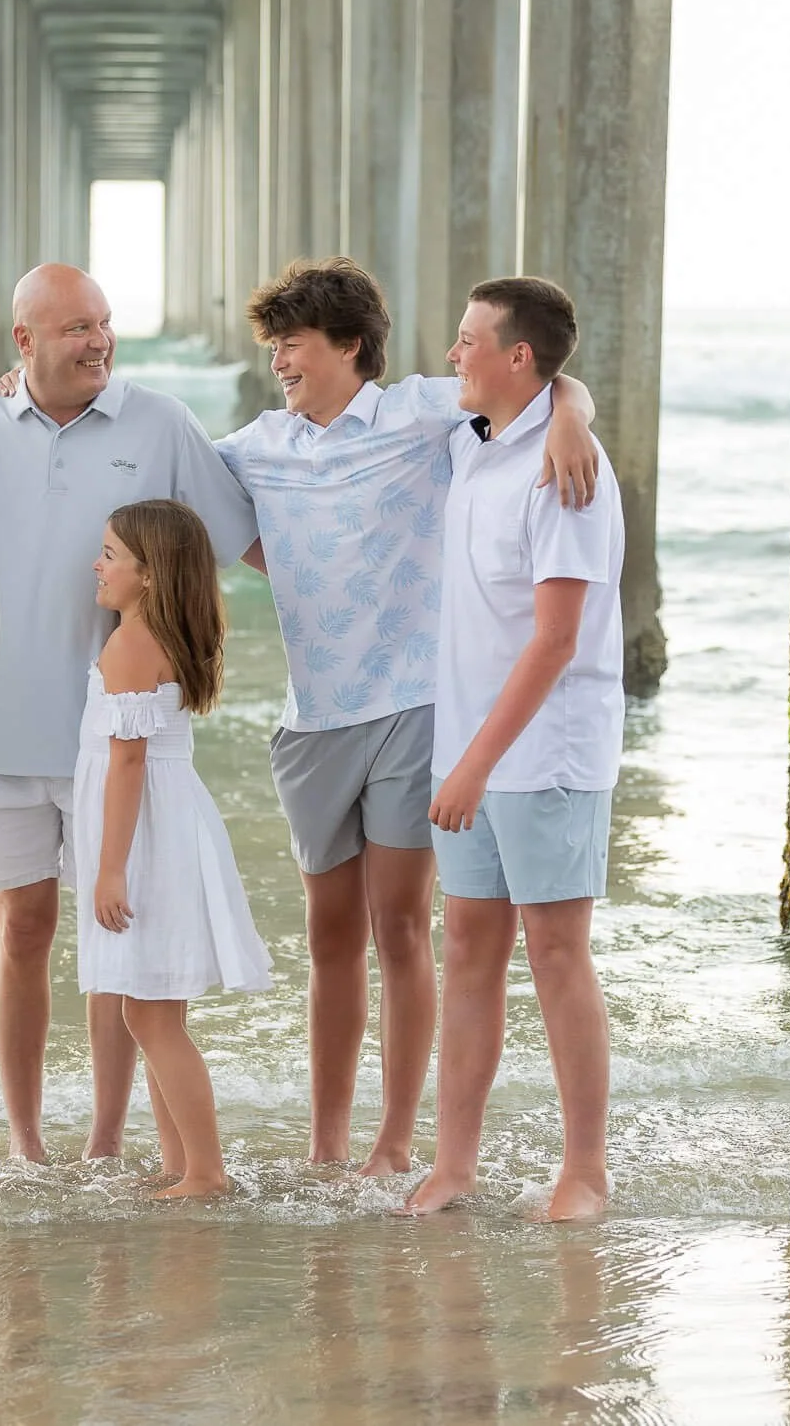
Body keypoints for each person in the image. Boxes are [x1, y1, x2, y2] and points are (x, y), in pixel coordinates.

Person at [213, 258, 597, 1175]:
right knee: (329, 936)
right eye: (272, 346)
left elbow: (533, 379)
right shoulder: (258, 444)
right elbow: (174, 478)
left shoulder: (424, 413)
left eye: (293, 343)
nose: (279, 361)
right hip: (316, 718)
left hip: (415, 704)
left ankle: (393, 1142)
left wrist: (575, 410)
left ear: (349, 346)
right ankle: (326, 1142)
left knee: (401, 926)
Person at [0, 264, 256, 1163]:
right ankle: (28, 1141)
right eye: (76, 327)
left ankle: (106, 1142)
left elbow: (242, 536)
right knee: (21, 930)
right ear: (22, 341)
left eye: (104, 323)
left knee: (117, 943)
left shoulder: (160, 422)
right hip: (1, 724)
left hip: (114, 735)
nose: (98, 340)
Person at [403, 276, 623, 1224]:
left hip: (545, 755)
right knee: (466, 948)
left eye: (466, 340)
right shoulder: (473, 441)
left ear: (516, 356)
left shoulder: (564, 472)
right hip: (475, 750)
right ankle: (454, 1166)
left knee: (557, 953)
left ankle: (586, 1172)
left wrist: (473, 766)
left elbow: (555, 640)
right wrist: (570, 400)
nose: (452, 354)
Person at [76, 500, 272, 1197]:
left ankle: (207, 1170)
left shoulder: (129, 643)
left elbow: (127, 764)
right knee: (154, 1005)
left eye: (109, 554)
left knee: (150, 1013)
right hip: (168, 822)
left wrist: (108, 868)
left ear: (149, 574)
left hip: (146, 836)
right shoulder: (161, 634)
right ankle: (178, 1163)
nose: (95, 565)